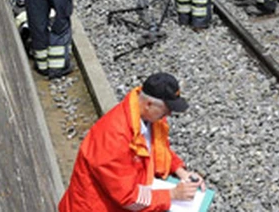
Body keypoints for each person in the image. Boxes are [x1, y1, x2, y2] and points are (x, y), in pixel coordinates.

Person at [59, 73, 205, 211]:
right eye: (166, 110)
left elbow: (157, 148)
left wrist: (181, 171)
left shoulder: (149, 118)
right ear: (148, 104)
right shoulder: (114, 138)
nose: (169, 114)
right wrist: (172, 195)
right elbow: (128, 198)